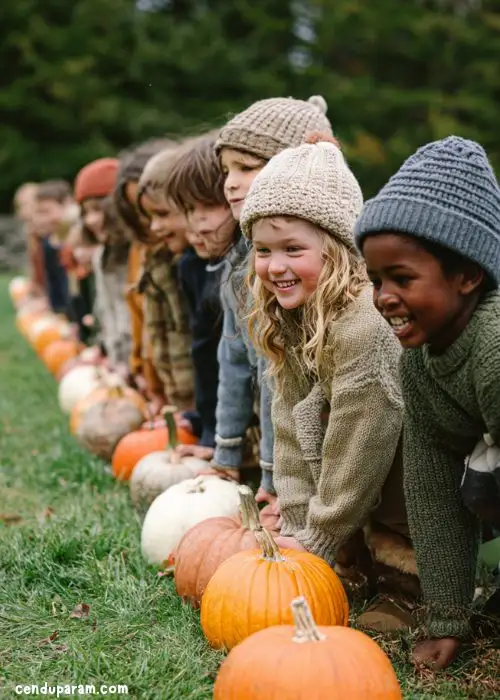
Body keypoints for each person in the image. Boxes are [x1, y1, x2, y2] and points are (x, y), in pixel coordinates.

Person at [243, 135, 417, 630]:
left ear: (338, 246)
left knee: (400, 464)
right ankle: (355, 560)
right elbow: (290, 424)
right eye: (262, 250)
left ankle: (409, 584)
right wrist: (300, 526)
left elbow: (363, 437)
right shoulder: (292, 316)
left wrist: (318, 536)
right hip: (360, 455)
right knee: (314, 423)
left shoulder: (365, 323)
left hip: (415, 452)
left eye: (293, 249)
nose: (275, 266)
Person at [355, 135, 500, 669]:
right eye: (375, 279)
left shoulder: (495, 351)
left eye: (402, 278)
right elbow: (432, 488)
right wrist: (445, 619)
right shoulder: (419, 361)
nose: (383, 297)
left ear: (467, 275)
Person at [213, 94, 333, 500]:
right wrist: (225, 452)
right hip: (280, 463)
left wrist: (276, 483)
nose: (230, 182)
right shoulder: (239, 266)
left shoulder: (320, 276)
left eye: (246, 167)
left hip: (331, 472)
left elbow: (289, 390)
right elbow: (234, 365)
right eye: (226, 169)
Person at [164, 133, 239, 460]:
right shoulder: (195, 268)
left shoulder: (251, 268)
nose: (196, 222)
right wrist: (209, 432)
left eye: (210, 205)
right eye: (189, 209)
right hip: (224, 433)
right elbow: (205, 354)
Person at [135, 145, 195, 414]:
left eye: (161, 214)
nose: (154, 227)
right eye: (150, 217)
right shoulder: (162, 263)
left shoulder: (198, 269)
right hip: (182, 404)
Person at [113, 141, 170, 415]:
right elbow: (139, 319)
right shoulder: (141, 251)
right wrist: (139, 369)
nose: (148, 222)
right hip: (157, 388)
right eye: (138, 213)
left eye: (154, 210)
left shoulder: (181, 256)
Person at [32, 181, 74, 316]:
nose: (41, 220)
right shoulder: (47, 244)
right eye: (38, 213)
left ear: (67, 205)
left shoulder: (82, 242)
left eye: (46, 212)